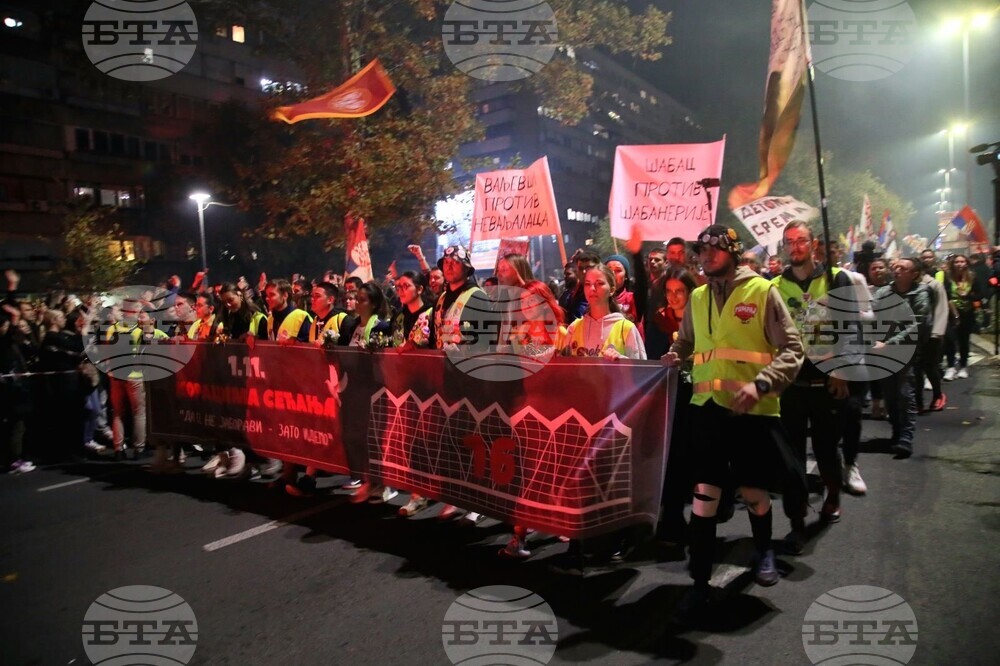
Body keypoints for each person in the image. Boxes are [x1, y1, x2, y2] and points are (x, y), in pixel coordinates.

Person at [663, 224, 804, 618]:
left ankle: (764, 554)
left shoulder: (762, 291)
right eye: (701, 250)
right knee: (704, 497)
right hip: (706, 409)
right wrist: (677, 354)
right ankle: (700, 583)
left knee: (754, 494)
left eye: (714, 249)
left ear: (733, 252)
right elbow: (687, 341)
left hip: (750, 414)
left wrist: (762, 384)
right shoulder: (697, 296)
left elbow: (793, 348)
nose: (705, 256)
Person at [772, 221, 854, 553]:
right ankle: (795, 517)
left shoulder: (835, 279)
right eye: (789, 242)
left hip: (826, 379)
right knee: (791, 453)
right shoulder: (774, 285)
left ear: (814, 244)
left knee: (825, 447)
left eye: (800, 241)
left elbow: (850, 328)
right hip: (791, 383)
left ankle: (832, 494)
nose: (795, 247)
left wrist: (842, 370)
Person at [430, 245, 491, 524]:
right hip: (447, 379)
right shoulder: (442, 299)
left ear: (467, 266)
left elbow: (485, 340)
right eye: (445, 262)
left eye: (455, 261)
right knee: (453, 438)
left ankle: (480, 499)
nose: (449, 265)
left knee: (476, 439)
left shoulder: (476, 296)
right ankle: (458, 495)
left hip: (473, 378)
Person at [872, 258, 930, 459]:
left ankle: (906, 437)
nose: (896, 270)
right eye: (895, 267)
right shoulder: (883, 293)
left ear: (914, 274)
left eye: (903, 268)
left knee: (905, 394)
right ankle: (896, 430)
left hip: (905, 353)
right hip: (882, 353)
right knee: (890, 396)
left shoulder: (920, 295)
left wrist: (889, 344)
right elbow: (873, 317)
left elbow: (916, 326)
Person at [560, 264, 646, 360]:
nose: (592, 289)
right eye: (587, 284)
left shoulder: (626, 328)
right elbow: (564, 368)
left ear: (612, 290)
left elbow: (640, 370)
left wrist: (621, 360)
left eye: (599, 283)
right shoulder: (574, 327)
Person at [942, 255, 981, 381]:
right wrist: (954, 313)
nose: (959, 264)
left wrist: (968, 295)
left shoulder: (972, 277)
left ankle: (963, 366)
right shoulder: (948, 277)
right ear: (953, 264)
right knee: (950, 340)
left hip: (967, 313)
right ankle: (951, 367)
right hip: (951, 313)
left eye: (962, 261)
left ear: (967, 263)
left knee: (964, 340)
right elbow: (946, 295)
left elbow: (980, 294)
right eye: (957, 261)